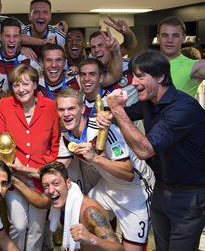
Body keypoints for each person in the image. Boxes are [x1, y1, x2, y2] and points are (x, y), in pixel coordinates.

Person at [99, 50, 205, 250]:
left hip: (190, 194)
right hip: (163, 188)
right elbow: (124, 114)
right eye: (134, 75)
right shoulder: (149, 103)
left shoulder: (182, 108)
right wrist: (108, 115)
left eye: (140, 76)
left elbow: (145, 150)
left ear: (161, 76)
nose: (134, 83)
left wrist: (116, 111)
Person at [56, 87, 154, 250]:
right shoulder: (66, 136)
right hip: (107, 187)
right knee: (81, 218)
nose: (66, 114)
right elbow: (58, 168)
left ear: (82, 109)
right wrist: (21, 170)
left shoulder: (103, 127)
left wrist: (95, 158)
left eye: (71, 108)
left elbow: (128, 173)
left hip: (135, 191)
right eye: (61, 109)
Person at [0, 64, 60, 250]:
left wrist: (41, 171)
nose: (20, 89)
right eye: (16, 85)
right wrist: (14, 166)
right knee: (19, 225)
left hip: (40, 176)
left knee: (37, 229)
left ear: (35, 85)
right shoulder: (5, 105)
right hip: (15, 176)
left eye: (25, 84)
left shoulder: (50, 106)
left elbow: (55, 145)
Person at [12, 161, 123, 251]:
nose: (50, 190)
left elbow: (119, 249)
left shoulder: (90, 212)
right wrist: (14, 181)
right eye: (46, 186)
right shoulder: (60, 197)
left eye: (56, 183)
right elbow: (40, 202)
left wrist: (91, 239)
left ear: (68, 183)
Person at [0, 17, 41, 93]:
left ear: (20, 38)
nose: (11, 40)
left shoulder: (29, 60)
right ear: (0, 37)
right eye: (7, 36)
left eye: (15, 36)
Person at [89, 28, 134, 105]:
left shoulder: (130, 66)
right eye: (93, 47)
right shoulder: (91, 72)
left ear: (109, 46)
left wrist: (126, 31)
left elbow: (130, 45)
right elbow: (114, 75)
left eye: (100, 45)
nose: (96, 50)